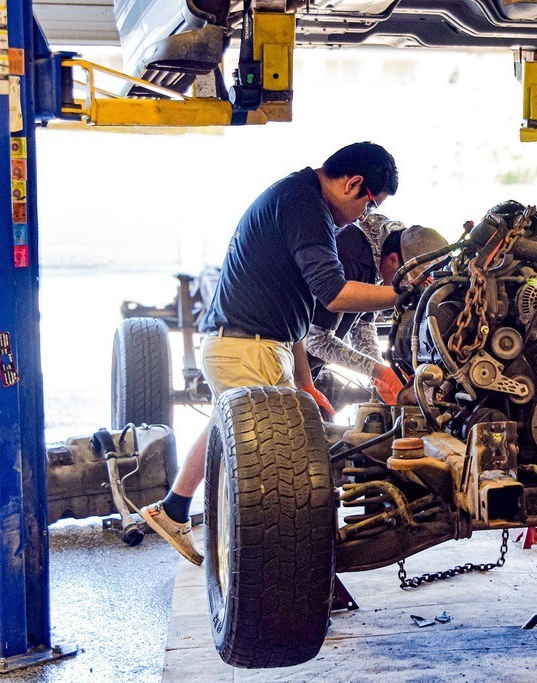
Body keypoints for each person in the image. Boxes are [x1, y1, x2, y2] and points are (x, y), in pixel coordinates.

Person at [140, 142, 401, 565]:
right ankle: (269, 573)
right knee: (267, 471)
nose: (364, 218)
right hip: (246, 347)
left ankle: (173, 509)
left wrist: (304, 382)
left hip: (256, 346)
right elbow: (334, 296)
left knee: (233, 436)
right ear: (354, 184)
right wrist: (405, 295)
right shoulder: (304, 205)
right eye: (369, 206)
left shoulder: (300, 201)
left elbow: (293, 315)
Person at [304, 215, 448, 417]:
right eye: (407, 283)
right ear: (392, 260)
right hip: (287, 359)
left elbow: (362, 325)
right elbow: (316, 340)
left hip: (306, 364)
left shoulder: (378, 254)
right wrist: (382, 373)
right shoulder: (349, 256)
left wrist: (379, 373)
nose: (404, 290)